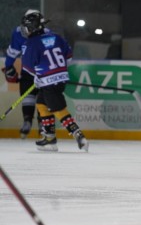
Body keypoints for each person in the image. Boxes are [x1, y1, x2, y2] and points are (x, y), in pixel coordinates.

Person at [20, 10, 89, 152]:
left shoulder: (30, 43)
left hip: (47, 81)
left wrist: (39, 76)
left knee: (58, 109)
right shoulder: (57, 37)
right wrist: (58, 73)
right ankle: (50, 139)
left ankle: (79, 136)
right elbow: (68, 58)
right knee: (41, 103)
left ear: (31, 27)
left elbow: (28, 67)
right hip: (60, 79)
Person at [1, 9, 46, 138]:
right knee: (27, 95)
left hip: (44, 71)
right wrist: (9, 66)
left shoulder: (47, 34)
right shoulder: (18, 33)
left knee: (44, 96)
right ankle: (27, 120)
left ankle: (43, 123)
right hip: (28, 69)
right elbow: (13, 51)